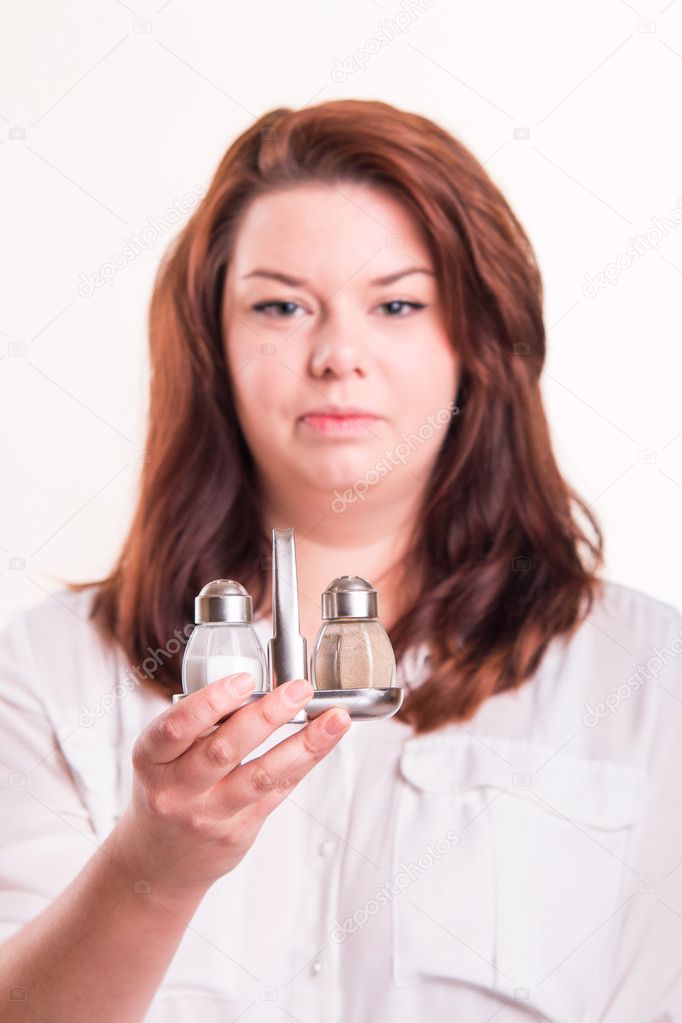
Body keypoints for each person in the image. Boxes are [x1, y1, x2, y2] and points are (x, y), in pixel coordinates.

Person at [1, 98, 680, 1023]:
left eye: (397, 303)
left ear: (477, 343)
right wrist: (151, 874)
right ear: (213, 344)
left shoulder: (645, 675)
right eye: (280, 305)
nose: (336, 355)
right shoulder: (45, 670)